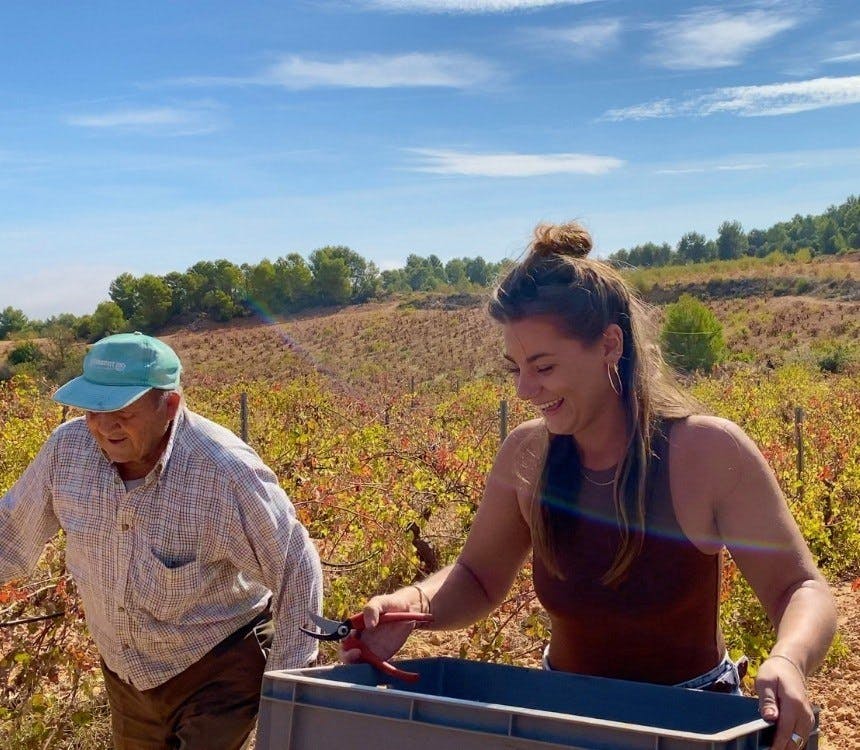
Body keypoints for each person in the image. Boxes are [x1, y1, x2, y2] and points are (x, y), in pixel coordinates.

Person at [347, 223, 836, 750]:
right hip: (562, 720)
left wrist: (788, 659)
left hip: (691, 723)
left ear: (610, 344)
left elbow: (800, 588)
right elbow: (477, 578)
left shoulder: (707, 452)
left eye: (544, 366)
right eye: (516, 368)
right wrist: (409, 603)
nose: (525, 389)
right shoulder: (526, 456)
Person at [0, 332, 323, 750]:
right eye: (93, 409)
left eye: (121, 411)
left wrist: (288, 697)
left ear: (168, 405)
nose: (103, 426)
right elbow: (10, 532)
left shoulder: (223, 472)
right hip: (127, 677)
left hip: (218, 667)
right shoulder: (66, 452)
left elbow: (296, 567)